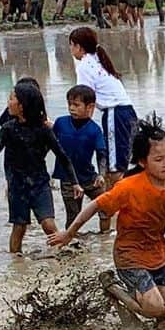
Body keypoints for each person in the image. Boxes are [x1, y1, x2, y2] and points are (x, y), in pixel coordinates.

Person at [49, 113, 165, 324]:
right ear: (143, 162)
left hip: (158, 254)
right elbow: (96, 205)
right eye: (159, 159)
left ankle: (140, 302)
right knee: (153, 309)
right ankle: (114, 288)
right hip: (128, 255)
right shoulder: (129, 187)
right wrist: (69, 234)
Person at [0, 80, 81, 254]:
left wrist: (75, 182)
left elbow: (63, 157)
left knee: (48, 224)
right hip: (17, 186)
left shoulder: (44, 130)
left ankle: (63, 256)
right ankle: (16, 262)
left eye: (11, 99)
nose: (8, 103)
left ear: (22, 106)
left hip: (40, 184)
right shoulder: (8, 128)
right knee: (19, 227)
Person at [68, 26, 138, 185]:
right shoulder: (99, 59)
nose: (70, 50)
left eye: (71, 45)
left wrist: (77, 128)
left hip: (116, 115)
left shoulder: (85, 66)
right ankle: (109, 207)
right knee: (115, 165)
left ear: (79, 47)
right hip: (127, 112)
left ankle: (122, 204)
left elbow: (84, 98)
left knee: (115, 170)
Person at [52, 84, 111, 232]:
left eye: (76, 105)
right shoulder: (60, 123)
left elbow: (101, 153)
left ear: (90, 107)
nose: (72, 108)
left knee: (106, 209)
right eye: (69, 104)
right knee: (73, 217)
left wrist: (101, 175)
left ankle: (104, 241)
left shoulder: (94, 130)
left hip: (90, 178)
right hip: (68, 180)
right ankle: (73, 248)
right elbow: (48, 144)